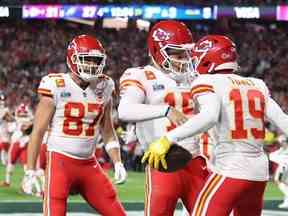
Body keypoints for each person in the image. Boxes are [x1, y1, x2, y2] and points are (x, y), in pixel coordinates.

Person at [142, 34, 288, 216]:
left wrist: (168, 138)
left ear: (207, 57)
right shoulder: (257, 84)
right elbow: (283, 121)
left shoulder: (206, 81)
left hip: (231, 167)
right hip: (259, 172)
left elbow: (209, 117)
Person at [23, 34, 127, 216]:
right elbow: (37, 132)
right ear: (72, 59)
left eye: (96, 61)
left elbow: (108, 131)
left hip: (89, 165)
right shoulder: (56, 84)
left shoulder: (106, 85)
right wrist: (30, 170)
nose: (92, 65)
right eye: (87, 60)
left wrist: (117, 162)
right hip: (60, 162)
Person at [118, 20, 209, 216]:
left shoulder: (195, 77)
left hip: (196, 161)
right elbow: (124, 111)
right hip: (163, 162)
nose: (184, 59)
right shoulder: (141, 75)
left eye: (187, 53)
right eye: (178, 53)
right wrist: (165, 111)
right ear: (157, 51)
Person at [269, 134, 288, 209]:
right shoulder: (282, 149)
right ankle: (286, 202)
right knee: (285, 183)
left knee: (278, 181)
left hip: (284, 166)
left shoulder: (284, 148)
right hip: (284, 165)